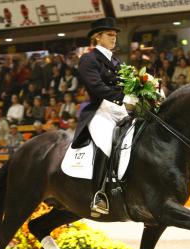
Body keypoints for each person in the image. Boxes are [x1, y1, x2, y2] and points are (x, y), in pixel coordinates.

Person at [71, 17, 134, 216]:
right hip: (101, 111)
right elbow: (96, 88)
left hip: (121, 110)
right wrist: (124, 96)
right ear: (97, 37)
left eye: (115, 36)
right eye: (110, 35)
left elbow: (130, 83)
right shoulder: (88, 59)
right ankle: (99, 194)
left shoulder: (117, 61)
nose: (114, 39)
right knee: (107, 144)